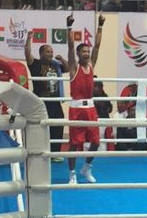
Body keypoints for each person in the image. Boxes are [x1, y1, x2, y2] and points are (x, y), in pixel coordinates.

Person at [66, 13, 105, 184]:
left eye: (88, 51)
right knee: (75, 144)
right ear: (78, 54)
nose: (87, 54)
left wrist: (100, 26)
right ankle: (72, 174)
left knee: (96, 141)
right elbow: (70, 47)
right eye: (84, 51)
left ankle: (87, 167)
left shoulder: (91, 65)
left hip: (90, 108)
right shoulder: (74, 68)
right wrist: (69, 27)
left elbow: (97, 46)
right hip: (76, 109)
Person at [26, 29, 68, 156]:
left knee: (58, 125)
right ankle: (40, 153)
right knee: (42, 127)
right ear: (41, 53)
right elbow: (27, 54)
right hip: (41, 102)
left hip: (55, 102)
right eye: (48, 52)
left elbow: (68, 68)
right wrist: (29, 39)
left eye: (51, 52)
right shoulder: (35, 64)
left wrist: (62, 59)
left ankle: (55, 154)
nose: (50, 54)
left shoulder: (55, 65)